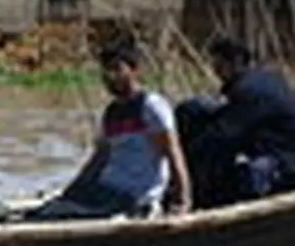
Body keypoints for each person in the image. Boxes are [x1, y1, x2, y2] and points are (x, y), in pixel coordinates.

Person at [27, 40, 192, 221]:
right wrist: (71, 191)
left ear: (134, 70)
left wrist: (182, 200)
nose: (110, 76)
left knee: (66, 215)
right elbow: (99, 159)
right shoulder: (111, 113)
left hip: (134, 196)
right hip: (106, 189)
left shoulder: (151, 106)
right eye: (106, 71)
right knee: (47, 212)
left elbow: (173, 153)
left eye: (117, 69)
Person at [176, 36, 295, 209]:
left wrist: (185, 158)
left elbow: (222, 135)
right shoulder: (263, 78)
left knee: (248, 177)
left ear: (236, 62)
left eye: (220, 66)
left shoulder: (250, 91)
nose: (216, 72)